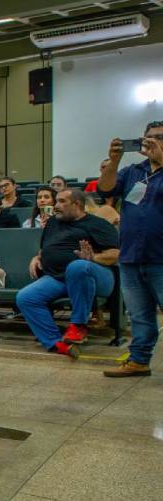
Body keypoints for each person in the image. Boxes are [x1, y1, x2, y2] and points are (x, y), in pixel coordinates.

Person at [16, 188, 120, 359]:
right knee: (26, 297)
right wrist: (37, 256)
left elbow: (116, 254)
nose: (56, 206)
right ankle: (56, 343)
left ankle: (78, 325)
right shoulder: (53, 223)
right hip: (59, 278)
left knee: (77, 266)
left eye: (62, 201)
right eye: (56, 201)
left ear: (77, 204)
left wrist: (93, 257)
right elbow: (45, 248)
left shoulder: (98, 224)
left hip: (96, 277)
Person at [98, 123, 163, 377]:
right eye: (148, 138)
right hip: (131, 255)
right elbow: (104, 189)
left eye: (159, 138)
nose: (152, 142)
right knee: (139, 314)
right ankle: (139, 360)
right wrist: (114, 161)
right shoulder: (133, 171)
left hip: (160, 256)